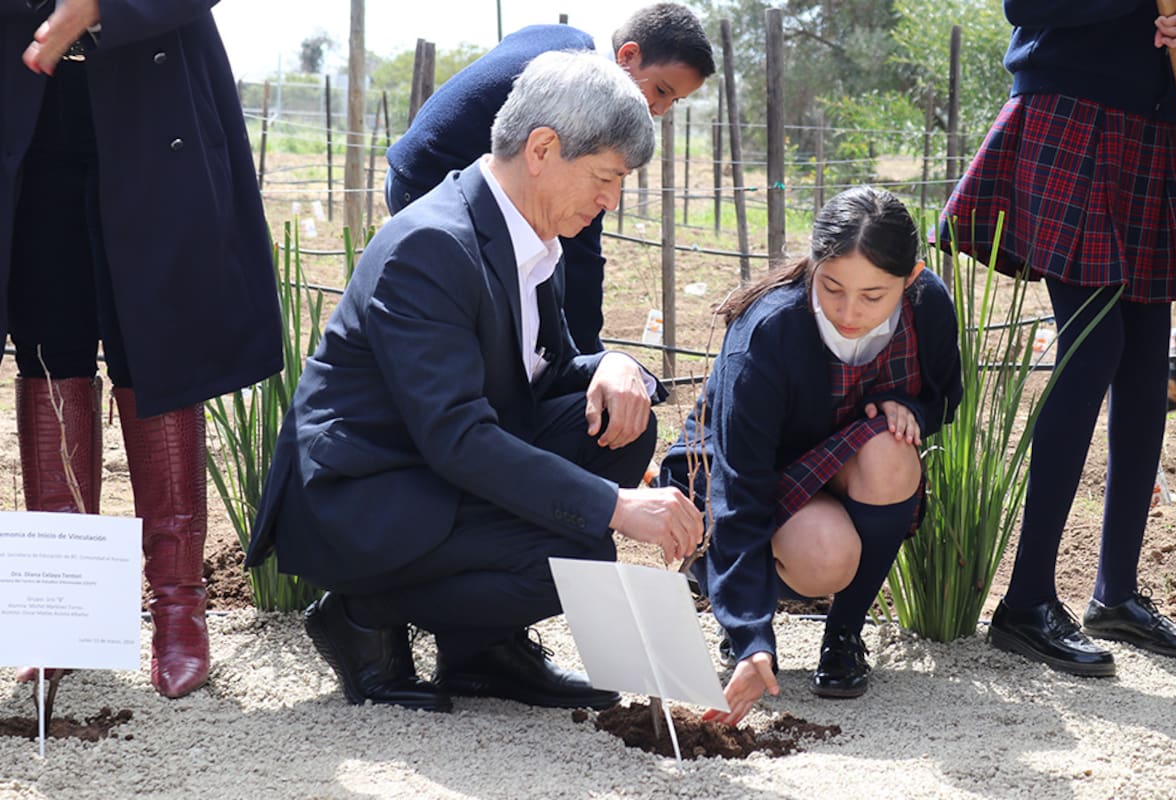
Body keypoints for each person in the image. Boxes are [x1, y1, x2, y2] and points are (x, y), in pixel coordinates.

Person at [246, 50, 704, 713]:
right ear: (542, 148)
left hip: (435, 466)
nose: (610, 199)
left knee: (618, 427)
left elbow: (543, 379)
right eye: (605, 177)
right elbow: (458, 436)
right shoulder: (431, 247)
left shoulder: (532, 231)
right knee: (579, 548)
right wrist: (618, 506)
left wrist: (614, 365)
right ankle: (359, 611)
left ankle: (478, 653)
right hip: (368, 494)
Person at [1, 0, 282, 697]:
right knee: (47, 346)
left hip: (153, 120)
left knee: (159, 346)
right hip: (26, 115)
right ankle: (65, 613)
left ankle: (179, 607)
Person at [940, 2, 1176, 675]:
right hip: (1074, 112)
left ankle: (1115, 595)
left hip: (1160, 124)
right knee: (1095, 345)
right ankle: (1026, 602)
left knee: (1146, 365)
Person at [658, 187, 962, 725]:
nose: (849, 312)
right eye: (832, 287)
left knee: (894, 452)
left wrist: (908, 405)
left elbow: (943, 398)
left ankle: (844, 637)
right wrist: (752, 637)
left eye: (874, 296)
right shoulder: (769, 330)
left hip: (842, 461)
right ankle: (715, 574)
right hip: (745, 473)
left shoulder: (928, 303)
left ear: (910, 279)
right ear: (814, 264)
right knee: (825, 558)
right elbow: (740, 486)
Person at [385, 2, 715, 354]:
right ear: (628, 55)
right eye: (662, 91)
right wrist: (592, 357)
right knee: (478, 323)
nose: (660, 110)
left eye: (674, 101)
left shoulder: (565, 40)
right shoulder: (591, 98)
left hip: (409, 170)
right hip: (429, 186)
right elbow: (581, 249)